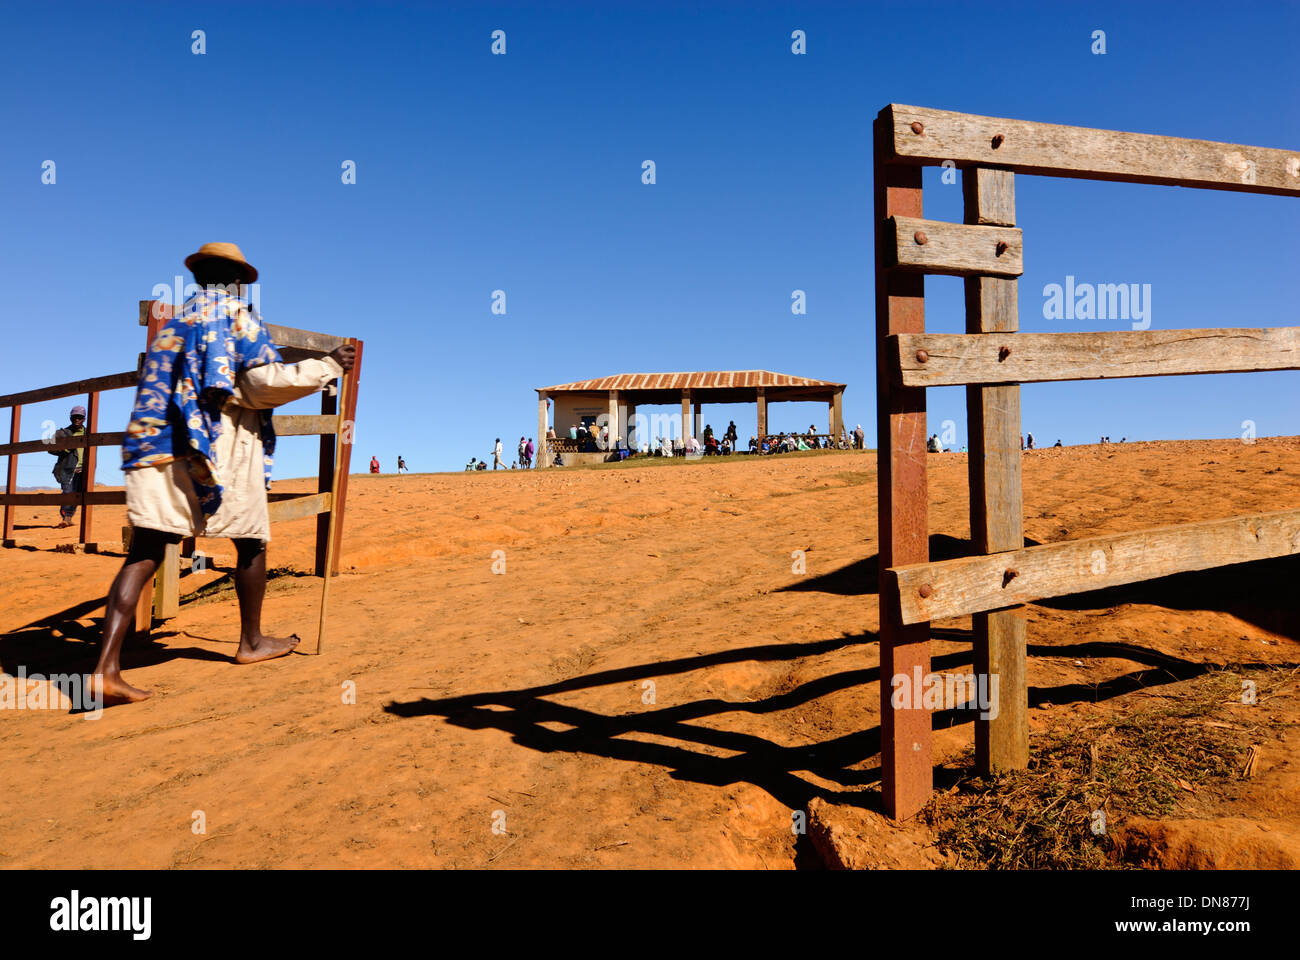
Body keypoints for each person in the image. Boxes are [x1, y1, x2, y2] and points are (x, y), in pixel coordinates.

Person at [95, 241, 354, 704]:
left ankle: (106, 669)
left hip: (157, 444)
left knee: (148, 546)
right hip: (218, 448)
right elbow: (259, 386)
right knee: (251, 540)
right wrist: (327, 366)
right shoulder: (238, 317)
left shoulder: (174, 326)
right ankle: (251, 642)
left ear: (198, 278)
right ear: (239, 280)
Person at [47, 405, 88, 528]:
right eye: (74, 417)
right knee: (67, 492)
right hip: (67, 469)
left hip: (84, 470)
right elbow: (50, 448)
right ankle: (66, 517)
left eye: (79, 417)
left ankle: (69, 517)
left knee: (78, 493)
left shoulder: (89, 434)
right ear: (70, 418)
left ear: (84, 419)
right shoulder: (62, 433)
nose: (77, 420)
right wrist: (65, 449)